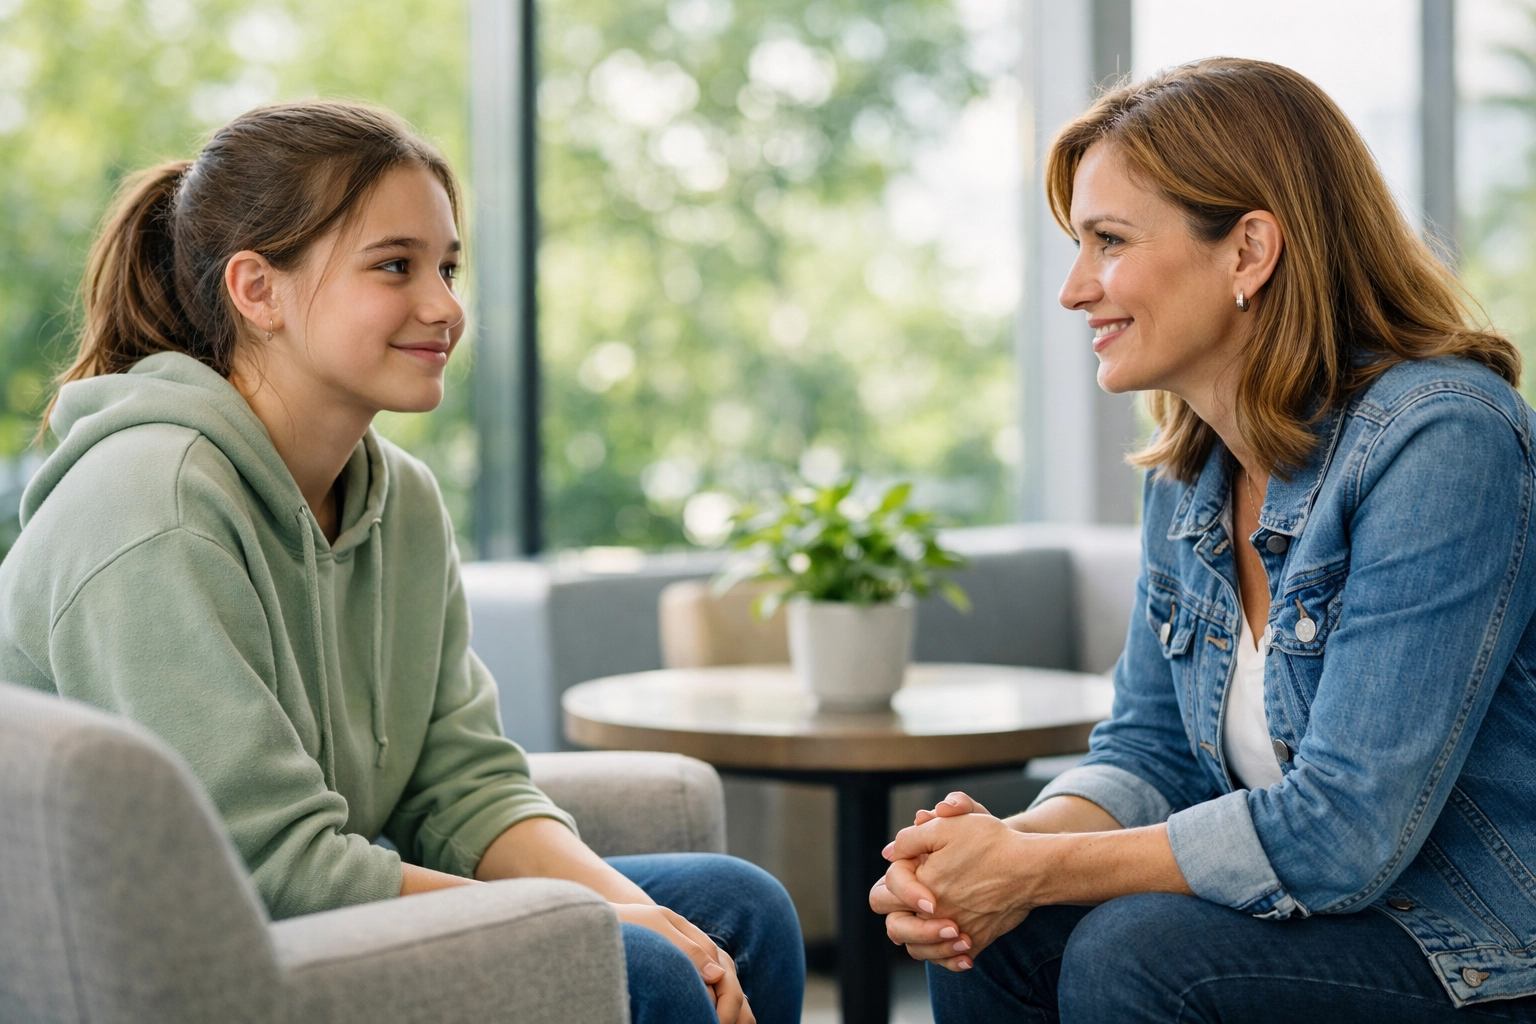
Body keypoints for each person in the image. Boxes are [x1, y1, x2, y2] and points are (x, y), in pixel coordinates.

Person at [0, 100, 802, 1024]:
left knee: (736, 914)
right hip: (185, 965)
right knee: (640, 969)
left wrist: (635, 910)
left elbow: (463, 783)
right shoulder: (152, 504)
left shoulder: (401, 501)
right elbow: (274, 871)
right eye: (396, 267)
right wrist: (598, 922)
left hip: (310, 919)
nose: (447, 306)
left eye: (448, 267)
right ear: (256, 290)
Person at [871, 57, 1536, 1022]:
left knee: (1135, 951)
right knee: (999, 936)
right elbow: (1151, 751)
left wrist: (1038, 868)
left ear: (1248, 252)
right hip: (1320, 922)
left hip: (1474, 945)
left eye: (1108, 241)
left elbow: (1347, 828)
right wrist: (1000, 853)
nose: (1073, 289)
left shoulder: (1443, 437)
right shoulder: (1194, 467)